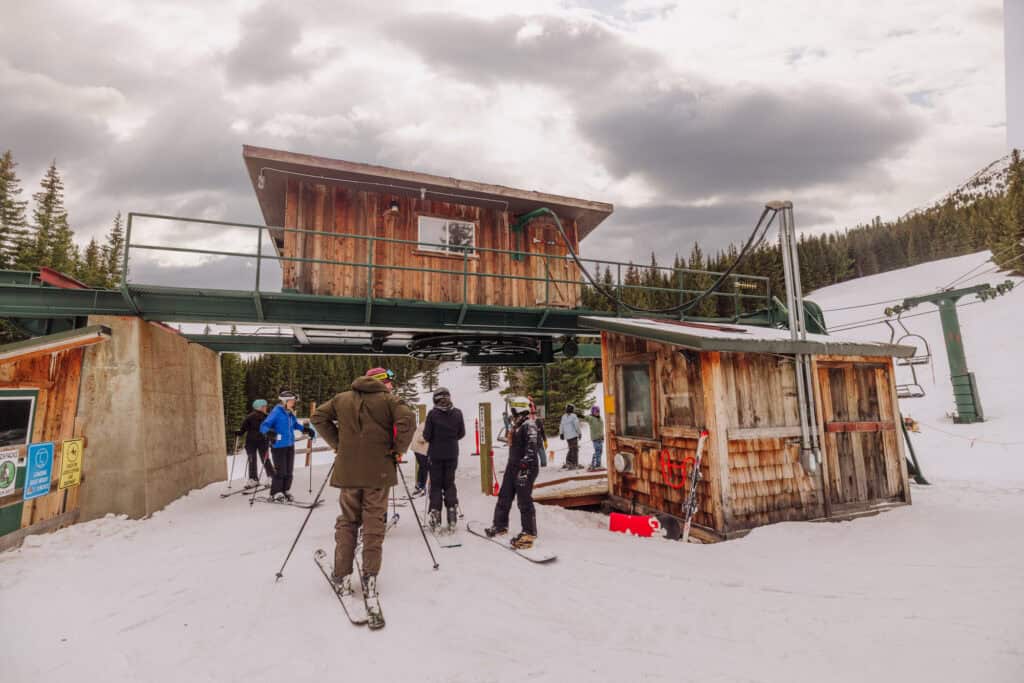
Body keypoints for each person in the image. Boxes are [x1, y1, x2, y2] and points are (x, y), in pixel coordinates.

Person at [310, 367, 415, 604]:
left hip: (348, 472)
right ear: (380, 382)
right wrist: (398, 449)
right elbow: (408, 421)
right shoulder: (390, 400)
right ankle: (370, 576)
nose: (390, 385)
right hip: (378, 471)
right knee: (374, 521)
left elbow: (318, 417)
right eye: (388, 381)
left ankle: (342, 575)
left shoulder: (342, 398)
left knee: (347, 520)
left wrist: (338, 443)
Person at [485, 396, 542, 549]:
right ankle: (500, 525)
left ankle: (529, 533)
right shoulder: (516, 425)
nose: (511, 412)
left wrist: (525, 463)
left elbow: (532, 446)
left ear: (518, 408)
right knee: (504, 495)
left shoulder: (529, 425)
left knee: (523, 499)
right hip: (513, 466)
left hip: (525, 467)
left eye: (513, 408)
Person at [259, 390, 315, 502]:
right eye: (292, 401)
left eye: (294, 401)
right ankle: (275, 493)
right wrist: (270, 433)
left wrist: (306, 429)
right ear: (285, 401)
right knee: (281, 471)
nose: (294, 403)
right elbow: (263, 426)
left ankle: (285, 490)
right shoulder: (276, 412)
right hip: (278, 446)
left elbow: (295, 425)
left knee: (289, 471)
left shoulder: (289, 413)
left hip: (290, 445)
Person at [423, 387, 465, 532]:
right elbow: (461, 433)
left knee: (435, 485)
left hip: (435, 454)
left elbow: (426, 436)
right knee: (449, 483)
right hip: (452, 454)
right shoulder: (457, 413)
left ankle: (435, 514)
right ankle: (451, 513)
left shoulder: (432, 414)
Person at [236, 399, 270, 487]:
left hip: (255, 442)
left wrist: (239, 432)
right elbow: (244, 428)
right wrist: (239, 432)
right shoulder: (255, 417)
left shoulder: (264, 417)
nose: (266, 408)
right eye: (264, 406)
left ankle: (254, 478)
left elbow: (243, 429)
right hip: (256, 442)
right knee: (263, 459)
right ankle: (265, 477)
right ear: (260, 407)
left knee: (254, 459)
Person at [559, 403, 582, 470]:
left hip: (567, 436)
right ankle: (575, 464)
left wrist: (561, 433)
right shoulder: (573, 416)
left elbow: (561, 425)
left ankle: (568, 462)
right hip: (573, 435)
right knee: (574, 449)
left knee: (571, 449)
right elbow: (576, 425)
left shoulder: (563, 416)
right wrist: (579, 433)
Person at [410, 419, 429, 497]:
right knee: (425, 467)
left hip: (419, 449)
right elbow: (421, 438)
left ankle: (419, 485)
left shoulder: (424, 424)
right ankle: (421, 486)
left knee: (422, 467)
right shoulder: (426, 425)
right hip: (420, 450)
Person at [584, 405, 605, 471]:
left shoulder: (600, 418)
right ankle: (596, 465)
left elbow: (601, 428)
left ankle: (595, 464)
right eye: (596, 411)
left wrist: (602, 436)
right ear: (593, 412)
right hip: (595, 438)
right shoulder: (591, 418)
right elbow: (586, 418)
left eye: (598, 411)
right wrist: (579, 415)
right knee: (598, 451)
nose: (597, 413)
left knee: (600, 451)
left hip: (600, 438)